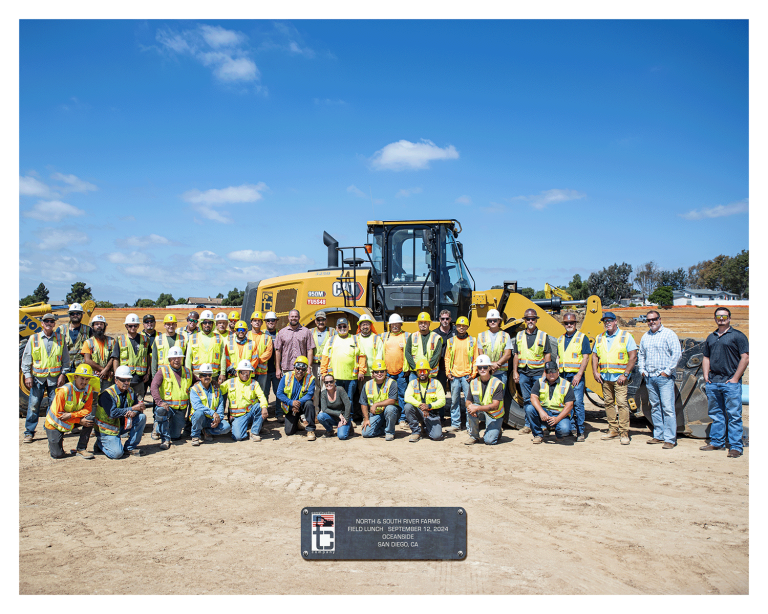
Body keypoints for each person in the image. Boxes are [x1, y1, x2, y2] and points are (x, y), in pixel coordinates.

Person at [700, 307, 749, 458]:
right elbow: (706, 358)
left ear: (729, 318)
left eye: (724, 316)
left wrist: (735, 378)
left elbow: (745, 357)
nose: (721, 318)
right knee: (716, 414)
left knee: (734, 415)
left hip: (730, 383)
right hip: (713, 382)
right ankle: (717, 442)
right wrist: (706, 376)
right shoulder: (711, 337)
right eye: (718, 316)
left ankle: (735, 446)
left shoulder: (738, 336)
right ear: (715, 318)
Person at [21, 312, 70, 443]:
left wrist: (63, 374)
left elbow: (65, 359)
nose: (49, 324)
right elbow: (26, 360)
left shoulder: (60, 339)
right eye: (46, 321)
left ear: (54, 324)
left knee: (53, 405)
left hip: (55, 379)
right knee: (33, 405)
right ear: (42, 323)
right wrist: (27, 376)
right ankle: (29, 432)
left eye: (51, 322)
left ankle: (49, 428)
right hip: (38, 379)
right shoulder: (34, 338)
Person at [591, 311, 637, 445]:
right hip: (605, 377)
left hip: (620, 378)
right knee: (608, 403)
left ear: (615, 321)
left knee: (622, 404)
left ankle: (624, 432)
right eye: (605, 321)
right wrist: (595, 371)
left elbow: (633, 356)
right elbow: (595, 355)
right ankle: (613, 429)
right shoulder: (600, 338)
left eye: (610, 320)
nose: (607, 323)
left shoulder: (625, 336)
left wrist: (625, 374)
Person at [638, 310, 682, 449]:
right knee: (655, 407)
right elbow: (641, 355)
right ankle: (658, 435)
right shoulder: (645, 336)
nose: (651, 322)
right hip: (650, 377)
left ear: (660, 319)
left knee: (668, 408)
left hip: (664, 379)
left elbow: (677, 354)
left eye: (654, 319)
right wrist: (642, 371)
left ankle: (670, 439)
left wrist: (667, 372)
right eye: (649, 320)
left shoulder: (668, 334)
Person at [513, 309, 554, 435]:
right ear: (524, 321)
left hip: (538, 373)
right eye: (528, 319)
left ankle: (543, 425)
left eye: (533, 319)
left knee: (541, 399)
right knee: (527, 400)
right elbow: (516, 355)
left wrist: (545, 374)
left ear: (536, 320)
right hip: (524, 373)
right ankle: (528, 425)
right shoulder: (519, 336)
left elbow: (547, 355)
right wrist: (515, 371)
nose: (530, 321)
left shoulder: (543, 335)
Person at [43, 364, 97, 459]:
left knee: (90, 419)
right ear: (75, 377)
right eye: (82, 378)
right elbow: (59, 415)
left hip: (70, 418)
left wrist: (72, 416)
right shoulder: (64, 391)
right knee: (57, 455)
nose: (84, 382)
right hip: (55, 423)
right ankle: (53, 445)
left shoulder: (88, 390)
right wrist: (79, 421)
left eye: (87, 379)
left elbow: (88, 409)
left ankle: (81, 448)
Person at [94, 365, 147, 458]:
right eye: (123, 380)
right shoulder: (107, 394)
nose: (126, 383)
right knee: (117, 454)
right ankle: (100, 443)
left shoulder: (130, 391)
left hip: (121, 426)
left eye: (128, 380)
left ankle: (129, 447)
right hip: (107, 430)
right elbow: (112, 413)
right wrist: (132, 409)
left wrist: (135, 412)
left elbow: (136, 408)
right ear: (116, 380)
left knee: (141, 417)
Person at [320, 318, 365, 424]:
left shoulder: (355, 339)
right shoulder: (331, 340)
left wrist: (362, 371)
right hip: (335, 377)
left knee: (348, 399)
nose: (342, 328)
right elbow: (325, 357)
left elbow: (362, 356)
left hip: (351, 377)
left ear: (348, 327)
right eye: (340, 326)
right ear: (336, 328)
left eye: (344, 326)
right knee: (336, 399)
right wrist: (323, 372)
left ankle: (349, 419)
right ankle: (338, 418)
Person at [557, 312, 593, 442]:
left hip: (575, 376)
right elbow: (558, 357)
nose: (569, 325)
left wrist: (579, 374)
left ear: (575, 323)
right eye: (566, 323)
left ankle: (580, 431)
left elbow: (586, 357)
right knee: (567, 403)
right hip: (564, 376)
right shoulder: (560, 339)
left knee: (578, 403)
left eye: (571, 323)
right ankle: (571, 428)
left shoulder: (581, 337)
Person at [150, 346, 193, 449]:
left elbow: (197, 382)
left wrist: (211, 382)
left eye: (179, 358)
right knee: (160, 411)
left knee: (176, 436)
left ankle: (163, 429)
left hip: (180, 410)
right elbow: (153, 386)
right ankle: (165, 438)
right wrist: (160, 402)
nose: (176, 360)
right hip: (167, 407)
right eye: (174, 358)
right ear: (169, 359)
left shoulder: (187, 372)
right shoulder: (163, 371)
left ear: (182, 359)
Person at [527, 361, 575, 444]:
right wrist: (541, 412)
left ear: (558, 371)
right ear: (545, 372)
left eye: (553, 371)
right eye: (548, 371)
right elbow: (533, 397)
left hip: (559, 414)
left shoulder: (566, 384)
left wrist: (557, 419)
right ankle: (538, 435)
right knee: (529, 409)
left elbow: (570, 405)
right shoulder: (540, 382)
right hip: (545, 413)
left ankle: (559, 434)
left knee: (565, 430)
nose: (551, 373)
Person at [445, 316, 479, 432]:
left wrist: (473, 374)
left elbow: (475, 359)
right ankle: (456, 424)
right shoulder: (451, 341)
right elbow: (447, 358)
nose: (461, 328)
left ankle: (470, 425)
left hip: (467, 376)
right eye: (459, 326)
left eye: (464, 326)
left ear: (467, 327)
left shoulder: (472, 341)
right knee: (454, 401)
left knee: (468, 402)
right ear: (456, 326)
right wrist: (448, 372)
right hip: (454, 376)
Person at [222, 359, 269, 442]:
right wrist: (213, 384)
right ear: (238, 372)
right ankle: (242, 428)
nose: (246, 375)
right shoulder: (230, 382)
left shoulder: (254, 383)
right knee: (238, 437)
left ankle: (254, 432)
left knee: (260, 406)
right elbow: (218, 391)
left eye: (248, 372)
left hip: (250, 412)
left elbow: (262, 396)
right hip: (237, 416)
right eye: (243, 372)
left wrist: (264, 407)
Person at [374, 313, 408, 425]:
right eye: (392, 324)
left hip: (401, 372)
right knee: (388, 396)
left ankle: (402, 418)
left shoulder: (406, 336)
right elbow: (379, 352)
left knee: (402, 395)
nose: (395, 326)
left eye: (397, 324)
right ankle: (388, 418)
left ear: (401, 324)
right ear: (389, 325)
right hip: (387, 372)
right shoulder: (384, 336)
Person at [464, 354, 505, 445]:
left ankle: (497, 430)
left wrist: (476, 408)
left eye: (485, 367)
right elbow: (468, 401)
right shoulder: (474, 382)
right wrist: (471, 407)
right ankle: (474, 436)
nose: (482, 369)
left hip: (494, 414)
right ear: (477, 369)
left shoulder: (497, 383)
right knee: (470, 408)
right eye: (480, 367)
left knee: (489, 441)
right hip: (482, 410)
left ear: (490, 368)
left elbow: (495, 406)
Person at [403, 358, 446, 442]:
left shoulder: (436, 383)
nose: (422, 373)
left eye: (424, 371)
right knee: (407, 407)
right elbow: (407, 397)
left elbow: (442, 401)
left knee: (437, 437)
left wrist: (429, 406)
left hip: (431, 412)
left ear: (429, 372)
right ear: (417, 372)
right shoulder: (413, 383)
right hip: (419, 410)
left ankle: (425, 427)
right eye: (420, 371)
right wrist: (421, 405)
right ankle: (416, 432)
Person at [189, 363, 231, 446]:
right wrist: (213, 413)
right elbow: (197, 406)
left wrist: (218, 418)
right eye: (204, 375)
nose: (207, 377)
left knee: (227, 427)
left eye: (209, 375)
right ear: (200, 376)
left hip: (212, 419)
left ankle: (207, 431)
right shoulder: (194, 389)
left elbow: (220, 404)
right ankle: (195, 436)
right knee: (198, 413)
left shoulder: (216, 389)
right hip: (200, 419)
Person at [112, 313, 151, 403]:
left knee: (139, 404)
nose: (133, 327)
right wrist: (116, 376)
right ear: (126, 326)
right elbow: (116, 359)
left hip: (140, 379)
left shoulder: (145, 340)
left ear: (138, 326)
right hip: (124, 380)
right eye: (130, 326)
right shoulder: (120, 340)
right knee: (123, 403)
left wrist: (147, 373)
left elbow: (148, 357)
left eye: (135, 325)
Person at [276, 356, 317, 440]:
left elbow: (309, 395)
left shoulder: (310, 379)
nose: (300, 371)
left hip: (302, 405)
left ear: (306, 370)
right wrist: (291, 403)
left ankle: (310, 430)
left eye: (303, 369)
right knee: (289, 432)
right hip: (290, 406)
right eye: (298, 368)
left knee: (309, 404)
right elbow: (279, 394)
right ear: (294, 368)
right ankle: (297, 422)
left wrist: (297, 403)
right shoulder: (286, 377)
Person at [360, 359, 399, 441]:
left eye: (382, 371)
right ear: (373, 373)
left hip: (389, 412)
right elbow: (363, 403)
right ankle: (383, 429)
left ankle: (390, 432)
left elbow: (392, 400)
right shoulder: (367, 384)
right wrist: (366, 419)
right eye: (376, 372)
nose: (379, 374)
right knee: (366, 433)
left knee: (390, 409)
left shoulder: (392, 383)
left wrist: (376, 404)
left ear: (385, 372)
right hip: (376, 414)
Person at [185, 310, 226, 382]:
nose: (207, 324)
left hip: (213, 376)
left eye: (209, 322)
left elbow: (223, 356)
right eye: (205, 322)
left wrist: (222, 373)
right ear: (201, 324)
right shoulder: (193, 337)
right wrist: (188, 373)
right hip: (197, 375)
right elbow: (188, 357)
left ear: (213, 324)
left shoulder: (218, 337)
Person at [274, 309, 315, 380]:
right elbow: (278, 351)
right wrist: (278, 368)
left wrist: (309, 367)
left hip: (301, 368)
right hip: (286, 367)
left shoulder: (306, 332)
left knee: (301, 389)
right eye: (292, 316)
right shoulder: (282, 332)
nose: (294, 318)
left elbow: (310, 350)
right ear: (288, 317)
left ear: (299, 317)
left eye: (296, 316)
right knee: (287, 389)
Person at [477, 309, 513, 388]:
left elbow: (507, 354)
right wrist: (490, 367)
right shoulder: (481, 336)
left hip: (501, 373)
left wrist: (496, 365)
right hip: (486, 373)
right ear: (487, 322)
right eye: (490, 320)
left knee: (499, 398)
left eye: (495, 320)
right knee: (486, 398)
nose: (492, 322)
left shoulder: (506, 335)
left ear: (499, 321)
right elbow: (481, 354)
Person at [404, 312, 443, 382]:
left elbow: (436, 356)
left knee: (431, 392)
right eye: (420, 323)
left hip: (430, 374)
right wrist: (417, 369)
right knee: (413, 392)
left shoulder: (436, 338)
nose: (423, 325)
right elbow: (407, 353)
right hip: (415, 374)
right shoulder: (412, 336)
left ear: (429, 324)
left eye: (425, 322)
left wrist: (426, 370)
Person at [354, 314, 377, 423]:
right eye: (363, 324)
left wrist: (375, 371)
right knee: (361, 395)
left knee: (373, 395)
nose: (365, 326)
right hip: (360, 373)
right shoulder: (356, 338)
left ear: (370, 325)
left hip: (373, 373)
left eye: (367, 324)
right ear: (360, 326)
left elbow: (379, 355)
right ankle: (363, 416)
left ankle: (372, 416)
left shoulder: (376, 338)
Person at [310, 310, 335, 406]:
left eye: (323, 319)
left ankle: (325, 411)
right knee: (315, 389)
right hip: (314, 365)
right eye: (318, 320)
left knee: (327, 388)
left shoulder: (333, 332)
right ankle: (316, 412)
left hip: (328, 365)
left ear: (326, 320)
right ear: (315, 321)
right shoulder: (310, 332)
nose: (321, 322)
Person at [56, 302, 92, 369]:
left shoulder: (88, 330)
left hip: (81, 367)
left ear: (82, 315)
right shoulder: (61, 330)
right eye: (72, 313)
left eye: (78, 313)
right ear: (69, 315)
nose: (75, 315)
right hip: (64, 366)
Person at [317, 375, 353, 440]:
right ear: (324, 383)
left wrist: (345, 419)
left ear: (334, 382)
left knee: (342, 436)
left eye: (331, 381)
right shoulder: (323, 393)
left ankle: (349, 425)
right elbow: (324, 409)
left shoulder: (340, 389)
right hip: (332, 417)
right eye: (326, 382)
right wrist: (338, 414)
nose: (329, 384)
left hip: (344, 417)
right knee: (320, 416)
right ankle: (330, 430)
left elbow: (348, 404)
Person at [81, 314, 115, 385]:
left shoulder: (112, 341)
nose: (99, 326)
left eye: (101, 324)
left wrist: (106, 370)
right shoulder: (88, 342)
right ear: (93, 326)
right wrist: (103, 370)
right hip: (93, 378)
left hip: (108, 378)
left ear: (104, 326)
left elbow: (114, 357)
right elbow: (87, 360)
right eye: (96, 324)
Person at [246, 312, 273, 392]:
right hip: (248, 370)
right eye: (255, 320)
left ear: (261, 323)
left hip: (261, 372)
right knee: (248, 393)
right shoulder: (246, 335)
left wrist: (256, 361)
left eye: (259, 320)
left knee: (260, 393)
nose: (257, 322)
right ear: (251, 322)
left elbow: (268, 353)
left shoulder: (266, 337)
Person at [263, 311, 281, 421]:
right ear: (265, 322)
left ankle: (279, 413)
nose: (270, 322)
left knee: (278, 392)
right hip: (264, 370)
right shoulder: (262, 335)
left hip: (276, 370)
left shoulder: (280, 334)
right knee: (264, 393)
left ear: (276, 322)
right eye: (268, 320)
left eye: (273, 320)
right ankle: (264, 415)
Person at [434, 310, 456, 395]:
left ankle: (453, 408)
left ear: (450, 319)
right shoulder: (435, 333)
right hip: (440, 367)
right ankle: (441, 408)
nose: (445, 321)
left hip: (454, 367)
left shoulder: (456, 331)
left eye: (447, 318)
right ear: (439, 319)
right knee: (440, 391)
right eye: (443, 319)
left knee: (454, 392)